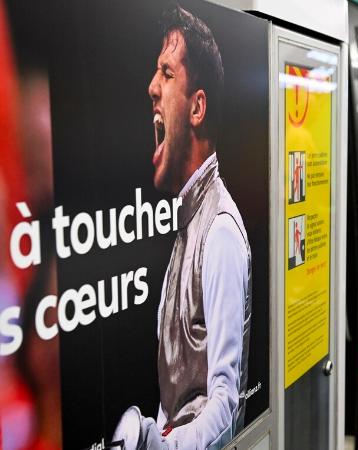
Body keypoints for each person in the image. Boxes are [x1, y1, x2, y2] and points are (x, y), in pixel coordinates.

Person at [114, 5, 252, 449]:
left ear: (197, 108)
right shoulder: (187, 223)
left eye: (167, 74)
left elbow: (225, 399)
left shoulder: (221, 231)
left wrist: (165, 447)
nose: (151, 87)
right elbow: (172, 400)